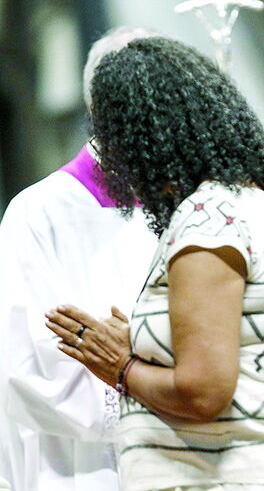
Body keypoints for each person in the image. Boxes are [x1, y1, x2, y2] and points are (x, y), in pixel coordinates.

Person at [45, 36, 264, 491]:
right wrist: (143, 343)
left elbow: (203, 392)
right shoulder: (234, 203)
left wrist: (122, 366)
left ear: (142, 138)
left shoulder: (209, 222)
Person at [0, 27, 157, 491]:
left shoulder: (190, 205)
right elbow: (27, 365)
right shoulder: (39, 214)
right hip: (76, 466)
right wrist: (152, 389)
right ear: (98, 109)